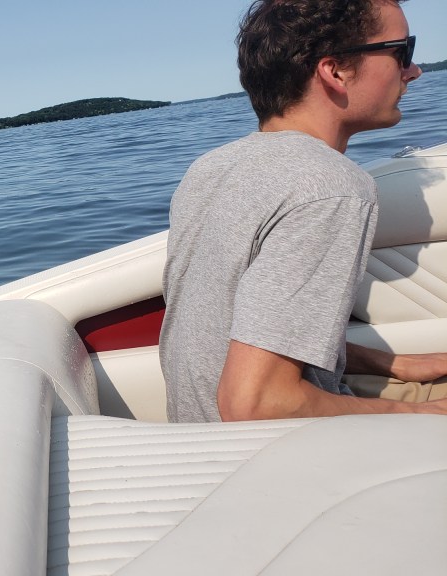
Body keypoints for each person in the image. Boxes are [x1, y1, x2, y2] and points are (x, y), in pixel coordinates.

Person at [159, 0, 447, 423]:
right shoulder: (331, 188)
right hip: (274, 450)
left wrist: (393, 364)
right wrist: (428, 414)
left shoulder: (210, 168)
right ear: (335, 71)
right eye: (402, 52)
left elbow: (231, 331)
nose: (414, 70)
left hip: (204, 440)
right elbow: (255, 405)